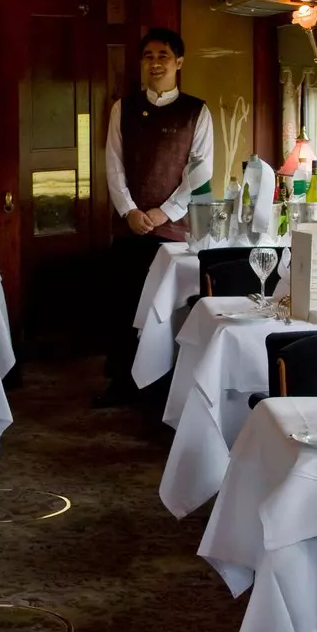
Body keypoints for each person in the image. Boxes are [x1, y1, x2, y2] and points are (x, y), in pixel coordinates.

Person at [97, 28, 213, 405]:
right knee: (122, 305)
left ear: (179, 62)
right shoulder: (123, 107)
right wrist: (129, 210)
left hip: (173, 231)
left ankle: (162, 389)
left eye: (163, 54)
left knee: (163, 313)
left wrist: (164, 212)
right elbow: (113, 164)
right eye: (148, 55)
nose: (156, 61)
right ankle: (121, 384)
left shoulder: (197, 111)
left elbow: (200, 173)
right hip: (130, 226)